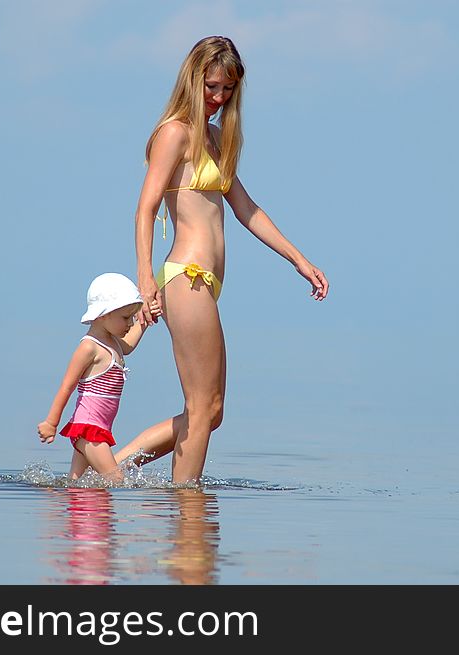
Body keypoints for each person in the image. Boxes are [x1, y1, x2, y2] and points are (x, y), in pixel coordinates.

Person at [113, 36, 329, 484]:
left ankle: (113, 469)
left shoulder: (213, 137)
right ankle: (187, 511)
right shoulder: (176, 132)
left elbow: (247, 208)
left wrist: (299, 260)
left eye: (228, 90)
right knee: (200, 407)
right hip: (185, 277)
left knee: (211, 412)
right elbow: (145, 207)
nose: (219, 97)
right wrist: (144, 280)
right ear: (193, 81)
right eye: (212, 86)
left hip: (206, 284)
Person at [37, 273, 161, 481]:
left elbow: (128, 346)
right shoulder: (89, 347)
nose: (130, 323)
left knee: (75, 485)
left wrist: (145, 321)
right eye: (125, 317)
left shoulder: (113, 344)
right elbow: (67, 386)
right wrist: (51, 422)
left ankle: (71, 511)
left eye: (132, 317)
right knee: (117, 481)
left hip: (96, 430)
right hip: (89, 431)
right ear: (103, 315)